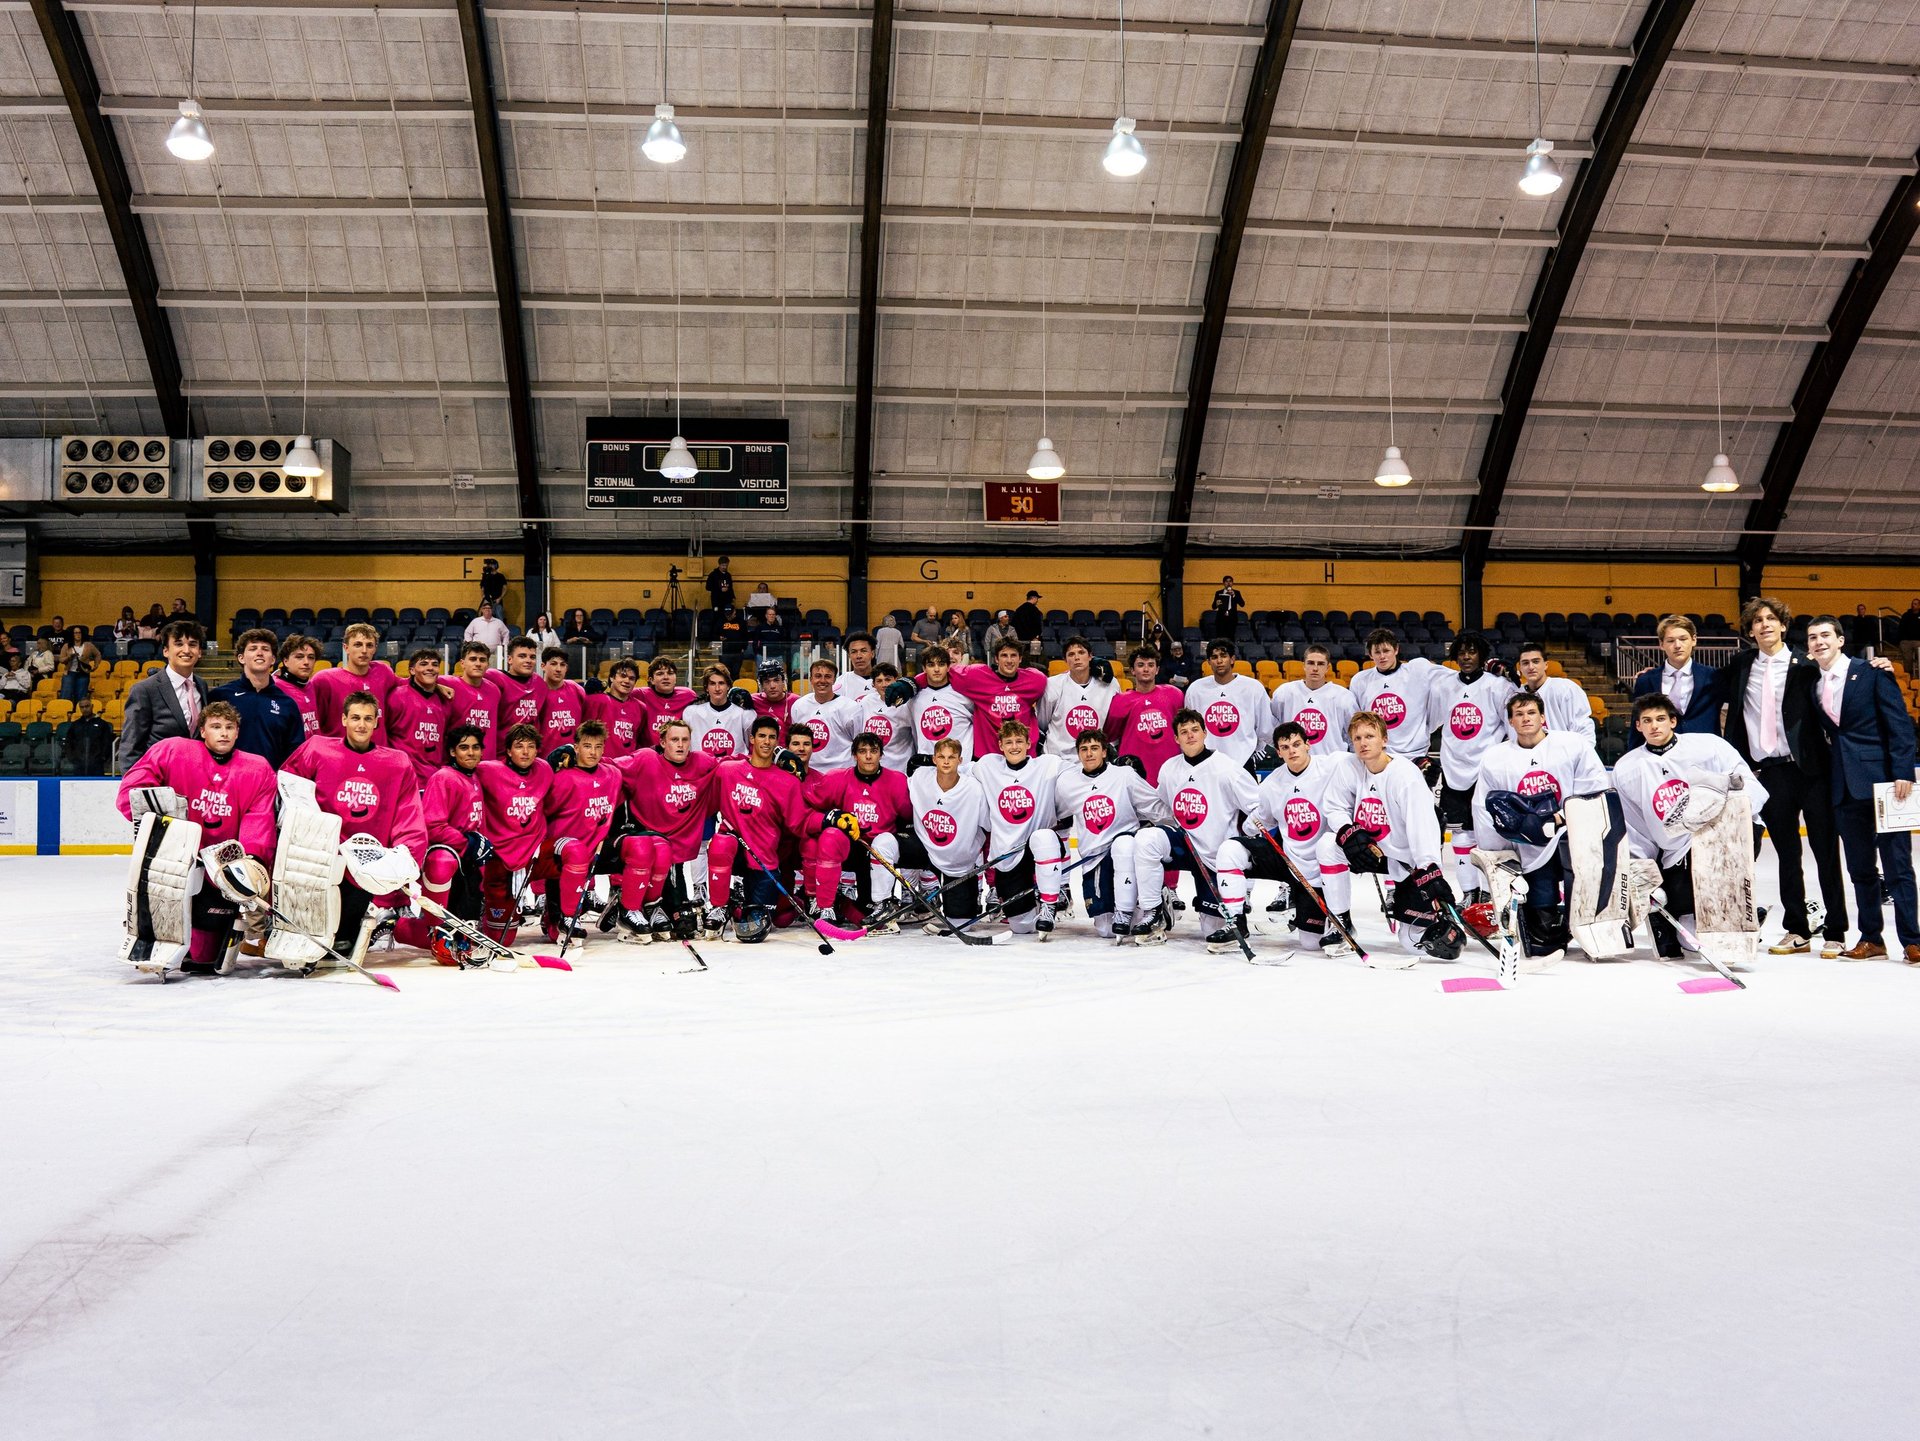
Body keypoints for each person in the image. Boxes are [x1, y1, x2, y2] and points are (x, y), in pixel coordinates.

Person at [1720, 595, 1848, 957]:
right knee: (1787, 855)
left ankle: (1836, 929)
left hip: (1811, 770)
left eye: (1770, 618)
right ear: (1750, 630)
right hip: (1770, 773)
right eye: (1757, 620)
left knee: (1824, 851)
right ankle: (1796, 929)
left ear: (1783, 625)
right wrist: (1653, 676)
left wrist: (1877, 665)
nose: (1764, 625)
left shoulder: (1806, 663)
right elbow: (1704, 685)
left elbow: (1840, 678)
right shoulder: (1741, 664)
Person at [115, 699, 278, 975]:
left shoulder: (258, 769)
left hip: (220, 870)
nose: (223, 733)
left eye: (229, 727)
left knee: (204, 959)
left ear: (238, 732)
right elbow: (133, 794)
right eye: (216, 726)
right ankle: (150, 931)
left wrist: (247, 865)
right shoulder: (173, 751)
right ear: (202, 730)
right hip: (178, 862)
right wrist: (164, 838)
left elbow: (259, 820)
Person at [1613, 694, 1767, 961]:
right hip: (1677, 853)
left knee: (1721, 885)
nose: (1654, 726)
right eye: (1646, 721)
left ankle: (1736, 913)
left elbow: (1749, 787)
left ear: (1673, 721)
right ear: (1637, 726)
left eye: (1661, 719)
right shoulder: (1627, 768)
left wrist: (1720, 805)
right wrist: (1645, 874)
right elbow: (1635, 827)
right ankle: (1690, 916)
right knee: (1688, 930)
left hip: (1721, 836)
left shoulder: (1708, 746)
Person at [1805, 615, 1920, 963]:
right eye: (1812, 637)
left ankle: (1912, 939)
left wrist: (1904, 770)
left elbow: (1899, 723)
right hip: (1843, 785)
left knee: (1898, 865)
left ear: (1840, 640)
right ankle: (1872, 938)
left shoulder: (1872, 672)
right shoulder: (1813, 684)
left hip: (1885, 783)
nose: (1818, 642)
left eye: (1825, 635)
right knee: (1860, 869)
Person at [282, 692, 427, 957]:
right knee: (314, 928)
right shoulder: (317, 749)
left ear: (376, 723)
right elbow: (290, 787)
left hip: (364, 860)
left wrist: (407, 851)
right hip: (321, 853)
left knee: (343, 941)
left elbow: (408, 811)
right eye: (356, 718)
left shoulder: (396, 763)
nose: (361, 725)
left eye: (368, 719)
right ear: (344, 719)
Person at [1472, 691, 1609, 966]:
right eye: (1519, 714)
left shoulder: (1572, 745)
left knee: (1584, 892)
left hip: (1574, 836)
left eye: (1531, 712)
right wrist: (1500, 856)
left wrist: (1562, 816)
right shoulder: (1497, 757)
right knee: (1542, 939)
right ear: (1510, 721)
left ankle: (1587, 929)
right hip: (1530, 845)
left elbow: (1594, 785)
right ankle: (1551, 924)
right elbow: (1485, 805)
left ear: (1543, 717)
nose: (1526, 719)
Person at [1333, 710, 1461, 962]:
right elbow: (1334, 806)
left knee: (1413, 943)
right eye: (1357, 738)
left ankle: (1450, 923)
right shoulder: (1350, 767)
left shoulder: (1404, 776)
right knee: (1328, 846)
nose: (1363, 742)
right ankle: (1340, 921)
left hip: (1407, 860)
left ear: (1384, 739)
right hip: (1371, 851)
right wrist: (1349, 833)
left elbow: (1422, 826)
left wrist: (1429, 869)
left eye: (1370, 736)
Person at [1136, 708, 1263, 952]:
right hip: (1184, 844)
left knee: (1212, 931)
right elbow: (1161, 806)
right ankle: (1153, 911)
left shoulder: (1227, 768)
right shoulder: (1170, 768)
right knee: (1146, 839)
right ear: (1176, 739)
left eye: (1195, 730)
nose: (1190, 736)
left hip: (1216, 857)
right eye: (1184, 732)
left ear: (1205, 733)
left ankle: (1235, 915)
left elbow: (1258, 807)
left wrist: (1246, 832)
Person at [706, 714, 834, 940]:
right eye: (762, 736)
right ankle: (718, 906)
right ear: (752, 739)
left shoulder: (788, 781)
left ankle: (744, 903)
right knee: (721, 843)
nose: (766, 742)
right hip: (735, 850)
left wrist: (828, 820)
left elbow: (800, 822)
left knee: (767, 922)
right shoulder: (727, 770)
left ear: (777, 742)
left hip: (764, 860)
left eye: (772, 738)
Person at [1244, 720, 1356, 954]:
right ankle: (1310, 915)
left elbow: (1365, 762)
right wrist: (1249, 825)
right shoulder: (1272, 784)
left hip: (1330, 861)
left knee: (1328, 848)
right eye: (1285, 747)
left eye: (1296, 744)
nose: (1292, 750)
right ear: (1278, 752)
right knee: (1310, 943)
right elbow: (1262, 818)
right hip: (1300, 871)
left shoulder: (1332, 764)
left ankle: (1343, 922)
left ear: (1308, 744)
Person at [609, 717, 717, 941]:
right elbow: (609, 765)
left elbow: (731, 763)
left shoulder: (701, 762)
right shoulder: (646, 759)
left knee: (675, 876)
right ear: (662, 742)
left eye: (685, 740)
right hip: (645, 838)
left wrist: (777, 755)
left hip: (677, 846)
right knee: (658, 855)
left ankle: (660, 907)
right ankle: (639, 905)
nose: (680, 745)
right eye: (674, 739)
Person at [1052, 728, 1166, 941]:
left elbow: (1152, 804)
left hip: (1125, 855)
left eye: (1094, 748)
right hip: (1094, 859)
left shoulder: (1124, 775)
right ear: (1078, 754)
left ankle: (1153, 903)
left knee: (1123, 845)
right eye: (1084, 749)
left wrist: (1179, 819)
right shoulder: (1068, 783)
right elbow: (1057, 812)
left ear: (1105, 752)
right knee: (1106, 930)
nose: (1089, 754)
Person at [1427, 632, 1516, 903]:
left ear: (1482, 655)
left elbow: (1512, 726)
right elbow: (1430, 721)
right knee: (1460, 834)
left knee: (1488, 832)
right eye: (1462, 652)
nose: (1466, 657)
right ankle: (1469, 893)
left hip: (1486, 772)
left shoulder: (1498, 686)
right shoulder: (1444, 686)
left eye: (1472, 652)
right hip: (1454, 769)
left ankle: (1491, 893)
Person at [391, 724, 488, 956]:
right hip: (447, 859)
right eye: (464, 748)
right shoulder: (444, 777)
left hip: (467, 860)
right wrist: (467, 841)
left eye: (475, 747)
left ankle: (431, 929)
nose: (471, 752)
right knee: (447, 940)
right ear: (453, 752)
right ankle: (402, 927)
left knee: (467, 937)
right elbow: (433, 827)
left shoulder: (474, 777)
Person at [971, 719, 1069, 937]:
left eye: (1019, 741)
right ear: (1000, 746)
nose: (1014, 746)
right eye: (1009, 742)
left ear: (1028, 744)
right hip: (1008, 853)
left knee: (1043, 837)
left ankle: (1049, 905)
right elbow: (956, 773)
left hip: (1040, 845)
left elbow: (1080, 775)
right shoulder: (987, 766)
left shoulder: (1048, 765)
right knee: (1021, 927)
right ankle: (1031, 904)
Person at [806, 732, 913, 929]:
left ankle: (848, 903)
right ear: (854, 755)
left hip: (878, 854)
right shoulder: (837, 778)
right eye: (863, 751)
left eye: (873, 751)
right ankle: (826, 906)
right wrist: (831, 818)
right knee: (829, 836)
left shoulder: (897, 781)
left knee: (868, 915)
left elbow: (909, 816)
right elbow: (808, 805)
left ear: (881, 754)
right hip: (852, 848)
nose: (869, 756)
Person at [533, 722, 620, 946]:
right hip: (562, 849)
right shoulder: (562, 778)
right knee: (554, 933)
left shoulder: (612, 774)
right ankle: (559, 916)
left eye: (598, 747)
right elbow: (545, 810)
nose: (593, 752)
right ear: (576, 747)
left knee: (641, 847)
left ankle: (627, 909)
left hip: (595, 847)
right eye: (587, 746)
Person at [471, 722, 555, 944]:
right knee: (502, 940)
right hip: (499, 855)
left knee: (572, 854)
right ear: (508, 750)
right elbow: (462, 772)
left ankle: (555, 917)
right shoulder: (488, 770)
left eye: (530, 746)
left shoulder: (544, 769)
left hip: (534, 853)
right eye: (519, 746)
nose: (525, 752)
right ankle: (485, 909)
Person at [903, 737, 991, 930]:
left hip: (958, 862)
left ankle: (956, 901)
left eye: (951, 757)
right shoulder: (919, 778)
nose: (945, 761)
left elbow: (988, 825)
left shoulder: (974, 789)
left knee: (961, 924)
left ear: (960, 760)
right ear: (933, 759)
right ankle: (881, 902)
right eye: (941, 756)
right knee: (886, 843)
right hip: (924, 851)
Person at [117, 620, 209, 771]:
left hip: (194, 778)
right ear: (166, 651)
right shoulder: (145, 689)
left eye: (192, 644)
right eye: (179, 644)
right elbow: (130, 746)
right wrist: (134, 785)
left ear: (199, 652)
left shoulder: (201, 686)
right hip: (158, 778)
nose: (186, 650)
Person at [211, 627, 306, 769]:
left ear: (273, 659)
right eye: (253, 648)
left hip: (269, 783)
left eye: (265, 649)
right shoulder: (220, 696)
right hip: (226, 781)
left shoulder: (287, 703)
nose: (260, 653)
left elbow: (296, 751)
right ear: (241, 658)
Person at [1348, 628, 1441, 770]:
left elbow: (1453, 680)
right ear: (1370, 654)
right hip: (1378, 755)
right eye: (1377, 652)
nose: (1382, 656)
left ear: (1396, 649)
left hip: (1415, 754)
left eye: (1386, 651)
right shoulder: (1360, 680)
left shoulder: (1417, 671)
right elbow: (1357, 721)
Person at [945, 638, 1048, 757]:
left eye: (1013, 655)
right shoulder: (977, 676)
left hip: (1024, 755)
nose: (1009, 660)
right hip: (989, 757)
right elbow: (943, 671)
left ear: (1020, 659)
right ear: (996, 659)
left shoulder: (1035, 680)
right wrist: (918, 682)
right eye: (1004, 655)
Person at [1183, 639, 1273, 767]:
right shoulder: (1195, 689)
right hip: (1206, 763)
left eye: (1223, 656)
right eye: (1214, 657)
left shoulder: (1253, 687)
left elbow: (1265, 727)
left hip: (1242, 762)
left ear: (1232, 659)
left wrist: (1258, 749)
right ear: (1208, 662)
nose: (1219, 661)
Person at [1629, 614, 1720, 742]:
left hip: (1704, 751)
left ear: (1694, 640)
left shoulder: (1714, 676)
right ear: (1661, 644)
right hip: (1662, 752)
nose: (1677, 645)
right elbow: (1637, 723)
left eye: (1683, 639)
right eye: (1670, 641)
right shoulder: (1646, 680)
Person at [1103, 645, 1186, 783]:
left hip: (1171, 773)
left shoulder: (1174, 694)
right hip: (1134, 775)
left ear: (1157, 669)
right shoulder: (1120, 701)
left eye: (1151, 665)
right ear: (1132, 670)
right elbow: (1110, 736)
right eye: (1141, 665)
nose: (1146, 669)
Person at [311, 622, 402, 746]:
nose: (364, 651)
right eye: (358, 645)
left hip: (377, 756)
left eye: (369, 645)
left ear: (375, 649)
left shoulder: (383, 672)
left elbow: (411, 684)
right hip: (339, 757)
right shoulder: (324, 680)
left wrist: (438, 682)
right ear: (346, 648)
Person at [1037, 636, 1117, 758]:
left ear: (1091, 656)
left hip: (1093, 758)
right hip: (1057, 758)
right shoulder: (1052, 685)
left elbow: (1115, 723)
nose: (1077, 658)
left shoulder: (1110, 684)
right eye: (1071, 654)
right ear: (1065, 660)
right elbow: (1042, 723)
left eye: (1081, 652)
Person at [1272, 642, 1356, 755]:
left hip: (1332, 765)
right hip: (1296, 764)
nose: (1315, 668)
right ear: (1304, 665)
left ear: (1328, 667)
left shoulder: (1344, 696)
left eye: (1320, 664)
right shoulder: (1284, 693)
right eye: (1311, 663)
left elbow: (1354, 734)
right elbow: (1273, 728)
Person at [385, 649, 455, 784]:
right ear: (412, 670)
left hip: (433, 778)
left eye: (435, 664)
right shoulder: (397, 696)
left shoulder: (444, 701)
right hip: (404, 777)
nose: (430, 668)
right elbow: (384, 732)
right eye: (423, 664)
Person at [1513, 642, 1596, 744]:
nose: (1531, 667)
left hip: (1564, 753)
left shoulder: (1566, 689)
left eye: (1536, 661)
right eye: (1525, 663)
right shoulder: (1515, 696)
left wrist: (1583, 755)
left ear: (1545, 665)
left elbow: (1583, 727)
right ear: (1520, 667)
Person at [793, 657, 864, 772]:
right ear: (810, 679)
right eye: (818, 676)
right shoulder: (799, 706)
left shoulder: (851, 708)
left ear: (834, 680)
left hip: (841, 773)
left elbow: (859, 743)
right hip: (807, 772)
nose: (822, 681)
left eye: (828, 676)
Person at [909, 644, 975, 766]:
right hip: (926, 768)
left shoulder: (964, 696)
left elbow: (980, 724)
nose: (936, 669)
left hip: (961, 767)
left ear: (949, 667)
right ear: (924, 668)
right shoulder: (914, 699)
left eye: (941, 664)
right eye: (931, 665)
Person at [682, 664, 757, 761]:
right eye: (712, 684)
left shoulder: (744, 714)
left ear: (728, 686)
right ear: (706, 688)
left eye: (721, 683)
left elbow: (750, 745)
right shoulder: (691, 713)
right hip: (702, 771)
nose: (717, 688)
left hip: (734, 770)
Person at [584, 657, 648, 759]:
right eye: (623, 676)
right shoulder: (596, 701)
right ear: (612, 678)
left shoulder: (641, 708)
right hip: (601, 765)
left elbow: (639, 740)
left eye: (632, 678)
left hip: (628, 767)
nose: (627, 681)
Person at [485, 635, 546, 736]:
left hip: (530, 748)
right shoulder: (493, 677)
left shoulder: (539, 683)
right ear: (510, 659)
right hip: (502, 748)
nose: (528, 660)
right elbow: (464, 683)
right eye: (522, 656)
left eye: (532, 657)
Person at [535, 646, 587, 752]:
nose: (558, 669)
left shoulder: (577, 689)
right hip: (545, 758)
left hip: (574, 759)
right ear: (543, 666)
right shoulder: (536, 692)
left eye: (562, 665)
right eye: (553, 664)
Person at [636, 655, 697, 742]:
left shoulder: (688, 695)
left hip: (677, 750)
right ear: (651, 680)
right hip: (648, 752)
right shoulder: (640, 694)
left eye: (670, 673)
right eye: (660, 673)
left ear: (676, 678)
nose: (666, 677)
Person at [274, 634, 322, 739]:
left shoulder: (312, 686)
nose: (306, 662)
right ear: (285, 660)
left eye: (311, 657)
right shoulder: (274, 687)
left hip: (313, 752)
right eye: (299, 657)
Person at [65, 697, 116, 775]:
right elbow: (69, 742)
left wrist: (103, 757)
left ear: (92, 706)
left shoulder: (102, 724)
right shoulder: (75, 725)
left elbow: (107, 742)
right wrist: (72, 758)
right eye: (82, 707)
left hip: (97, 764)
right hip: (79, 765)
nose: (85, 709)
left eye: (87, 706)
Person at [57, 625, 100, 703]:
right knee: (66, 695)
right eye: (75, 633)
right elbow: (61, 659)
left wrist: (96, 664)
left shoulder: (88, 645)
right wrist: (68, 657)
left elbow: (97, 654)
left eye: (79, 633)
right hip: (69, 673)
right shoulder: (67, 646)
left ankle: (78, 713)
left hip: (83, 674)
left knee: (81, 697)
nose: (78, 635)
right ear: (72, 635)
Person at [752, 658, 797, 730]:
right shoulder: (753, 700)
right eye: (767, 681)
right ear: (761, 685)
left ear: (783, 682)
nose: (772, 686)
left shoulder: (796, 701)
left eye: (776, 680)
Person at [833, 632, 877, 702]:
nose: (858, 656)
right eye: (854, 652)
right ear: (849, 656)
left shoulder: (884, 680)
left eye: (863, 651)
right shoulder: (842, 681)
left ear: (872, 654)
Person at [1899, 597, 1920, 676]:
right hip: (1906, 641)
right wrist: (1901, 639)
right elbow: (1901, 627)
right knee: (1907, 660)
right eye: (1912, 604)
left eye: (1915, 604)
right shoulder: (1906, 615)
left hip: (1918, 641)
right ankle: (1908, 676)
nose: (1913, 605)